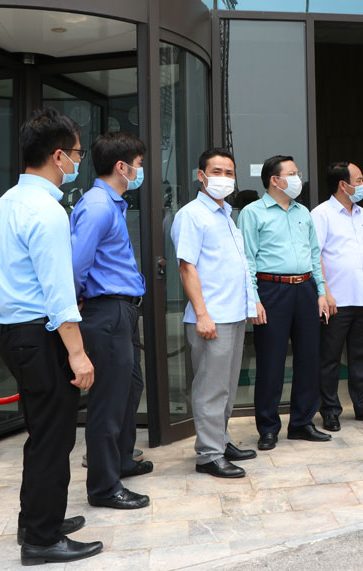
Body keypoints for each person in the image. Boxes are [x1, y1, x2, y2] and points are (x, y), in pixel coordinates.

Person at [0, 107, 102, 564]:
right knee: (54, 439)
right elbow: (58, 294)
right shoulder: (48, 211)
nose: (77, 162)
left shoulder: (5, 203)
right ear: (57, 156)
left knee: (41, 434)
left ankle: (38, 518)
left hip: (15, 334)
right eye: (75, 153)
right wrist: (78, 354)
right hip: (43, 334)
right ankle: (41, 538)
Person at [70, 132, 151, 510]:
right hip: (106, 312)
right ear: (122, 167)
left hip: (120, 309)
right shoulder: (99, 206)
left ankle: (121, 459)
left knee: (130, 387)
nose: (141, 171)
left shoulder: (111, 204)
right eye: (138, 164)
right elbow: (74, 265)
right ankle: (104, 487)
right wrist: (77, 303)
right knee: (108, 400)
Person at [171, 148, 258, 477]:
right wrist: (202, 314)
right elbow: (186, 268)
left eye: (229, 172)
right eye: (217, 171)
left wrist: (251, 305)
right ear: (201, 176)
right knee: (210, 387)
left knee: (228, 386)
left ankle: (220, 438)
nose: (224, 178)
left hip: (233, 315)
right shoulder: (192, 215)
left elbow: (236, 267)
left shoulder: (227, 216)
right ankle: (208, 454)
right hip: (211, 317)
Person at [238, 155, 332, 450]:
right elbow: (247, 261)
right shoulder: (252, 213)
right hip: (271, 290)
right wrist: (253, 299)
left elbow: (314, 254)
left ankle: (302, 422)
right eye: (292, 173)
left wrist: (321, 292)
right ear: (274, 180)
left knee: (308, 358)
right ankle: (268, 427)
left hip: (305, 288)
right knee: (271, 361)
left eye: (298, 172)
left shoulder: (304, 212)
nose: (298, 177)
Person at [311, 162, 363, 432]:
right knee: (330, 358)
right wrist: (325, 292)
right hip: (336, 300)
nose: (362, 184)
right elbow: (316, 256)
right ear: (342, 185)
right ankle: (330, 410)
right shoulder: (321, 214)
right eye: (358, 180)